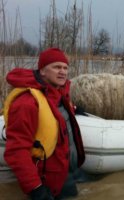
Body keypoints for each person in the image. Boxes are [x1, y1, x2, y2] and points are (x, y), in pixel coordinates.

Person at [3, 47, 85, 199]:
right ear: (42, 71)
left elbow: (54, 112)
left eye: (65, 68)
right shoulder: (27, 103)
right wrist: (36, 189)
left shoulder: (58, 93)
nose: (63, 72)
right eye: (56, 67)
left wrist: (73, 109)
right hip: (47, 182)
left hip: (67, 172)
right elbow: (16, 151)